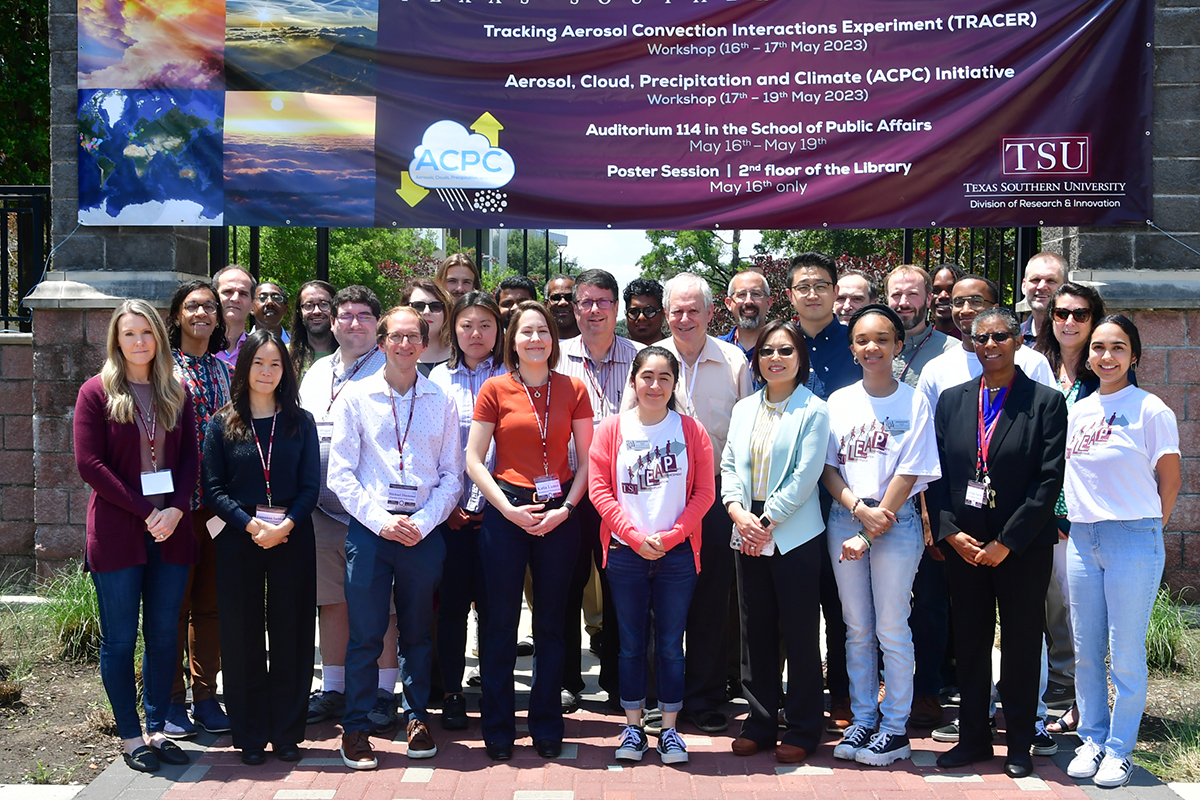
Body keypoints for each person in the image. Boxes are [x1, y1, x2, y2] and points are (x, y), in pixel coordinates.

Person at [928, 307, 1067, 779]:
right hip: (964, 545)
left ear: (1019, 338)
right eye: (981, 336)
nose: (990, 344)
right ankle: (972, 738)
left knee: (1023, 644)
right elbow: (938, 475)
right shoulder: (951, 400)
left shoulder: (1045, 402)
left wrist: (1007, 542)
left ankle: (1021, 744)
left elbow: (1048, 484)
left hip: (1022, 548)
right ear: (969, 341)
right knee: (968, 642)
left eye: (1001, 336)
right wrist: (950, 532)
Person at [327, 306, 463, 769]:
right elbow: (341, 474)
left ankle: (417, 716)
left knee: (418, 632)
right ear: (381, 342)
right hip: (371, 534)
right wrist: (381, 521)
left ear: (425, 344)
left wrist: (422, 522)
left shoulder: (440, 401)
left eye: (414, 337)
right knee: (365, 635)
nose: (405, 345)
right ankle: (358, 726)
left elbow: (452, 476)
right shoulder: (355, 397)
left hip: (423, 536)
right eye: (396, 337)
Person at [465, 300, 594, 761]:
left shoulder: (574, 389)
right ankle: (498, 725)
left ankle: (546, 723)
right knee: (499, 624)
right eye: (525, 332)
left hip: (558, 511)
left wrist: (567, 508)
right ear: (511, 341)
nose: (535, 339)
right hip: (506, 508)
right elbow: (474, 460)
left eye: (542, 331)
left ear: (553, 340)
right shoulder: (495, 389)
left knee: (552, 625)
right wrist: (505, 509)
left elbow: (587, 461)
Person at [75, 299, 200, 774]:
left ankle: (158, 728)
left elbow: (190, 458)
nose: (140, 342)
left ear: (159, 339)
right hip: (118, 532)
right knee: (121, 639)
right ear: (117, 340)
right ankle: (130, 736)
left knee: (164, 634)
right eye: (129, 334)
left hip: (171, 528)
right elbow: (90, 465)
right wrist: (149, 510)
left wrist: (175, 510)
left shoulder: (175, 391)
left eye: (147, 333)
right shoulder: (96, 392)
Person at [1062, 315, 1180, 788]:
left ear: (1134, 355)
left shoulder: (1151, 409)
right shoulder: (1078, 409)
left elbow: (1169, 481)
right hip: (1083, 539)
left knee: (1125, 652)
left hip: (1133, 537)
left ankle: (1119, 749)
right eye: (1097, 348)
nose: (1105, 356)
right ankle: (1091, 738)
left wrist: (1148, 527)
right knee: (1087, 651)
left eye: (1116, 347)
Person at [822, 304, 940, 766]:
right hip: (846, 519)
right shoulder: (840, 401)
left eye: (882, 339)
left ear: (897, 346)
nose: (872, 347)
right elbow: (829, 467)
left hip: (896, 522)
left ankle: (894, 727)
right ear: (853, 349)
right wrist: (856, 510)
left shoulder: (914, 401)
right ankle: (863, 717)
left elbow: (910, 471)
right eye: (863, 340)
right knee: (856, 628)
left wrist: (873, 525)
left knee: (892, 628)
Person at [635, 272, 751, 735]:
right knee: (654, 602)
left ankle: (704, 697)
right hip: (658, 496)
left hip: (718, 496)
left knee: (710, 601)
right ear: (666, 314)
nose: (684, 318)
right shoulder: (650, 360)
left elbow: (745, 431)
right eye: (676, 310)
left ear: (710, 313)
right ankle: (655, 696)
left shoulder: (735, 360)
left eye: (693, 310)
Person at [589, 346, 715, 764]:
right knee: (628, 644)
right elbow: (599, 490)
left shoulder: (691, 431)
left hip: (677, 556)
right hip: (626, 553)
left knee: (669, 645)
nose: (655, 385)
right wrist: (631, 534)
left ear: (675, 384)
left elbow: (704, 493)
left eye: (664, 378)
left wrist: (676, 534)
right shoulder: (611, 429)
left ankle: (670, 730)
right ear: (633, 381)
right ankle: (632, 728)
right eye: (647, 377)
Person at [202, 329, 320, 766]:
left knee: (291, 634)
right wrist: (252, 525)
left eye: (275, 364)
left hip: (292, 537)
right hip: (240, 540)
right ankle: (249, 734)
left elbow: (311, 486)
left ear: (285, 371)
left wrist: (285, 524)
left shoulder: (300, 422)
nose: (267, 372)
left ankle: (287, 732)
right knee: (242, 635)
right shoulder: (221, 422)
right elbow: (213, 490)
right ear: (243, 366)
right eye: (258, 363)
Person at [721, 319, 830, 763]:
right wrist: (739, 514)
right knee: (755, 631)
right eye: (768, 351)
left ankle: (804, 727)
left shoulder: (814, 409)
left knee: (800, 632)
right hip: (746, 527)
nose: (776, 358)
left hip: (794, 534)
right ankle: (762, 721)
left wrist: (765, 521)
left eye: (786, 350)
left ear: (800, 357)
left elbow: (807, 476)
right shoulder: (744, 408)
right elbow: (729, 464)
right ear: (757, 359)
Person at [296, 286, 394, 730]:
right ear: (332, 323)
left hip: (372, 512)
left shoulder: (391, 370)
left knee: (381, 605)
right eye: (346, 315)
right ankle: (333, 688)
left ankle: (384, 692)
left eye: (364, 316)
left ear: (378, 325)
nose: (354, 323)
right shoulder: (316, 372)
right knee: (331, 601)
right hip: (320, 510)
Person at [556, 269, 641, 712]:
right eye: (584, 303)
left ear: (616, 307)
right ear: (574, 309)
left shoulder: (644, 358)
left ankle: (617, 679)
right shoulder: (554, 357)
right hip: (568, 492)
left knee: (620, 589)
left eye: (602, 302)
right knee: (566, 589)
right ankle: (568, 680)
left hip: (626, 496)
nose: (593, 311)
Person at [1033, 282, 1111, 734]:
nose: (1069, 322)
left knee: (1078, 608)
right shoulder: (1036, 365)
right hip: (1038, 505)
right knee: (1041, 604)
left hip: (1080, 511)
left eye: (1080, 314)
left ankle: (1080, 700)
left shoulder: (1104, 370)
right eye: (1061, 313)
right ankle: (1051, 688)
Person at [429, 291, 508, 730]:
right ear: (452, 330)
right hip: (450, 514)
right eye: (466, 325)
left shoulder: (513, 375)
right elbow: (432, 450)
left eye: (485, 325)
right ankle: (454, 691)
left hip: (501, 514)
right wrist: (450, 505)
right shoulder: (436, 380)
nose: (475, 334)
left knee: (497, 609)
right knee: (452, 607)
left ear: (498, 331)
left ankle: (496, 690)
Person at [785, 251, 857, 730]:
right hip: (788, 502)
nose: (812, 294)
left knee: (842, 606)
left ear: (835, 292)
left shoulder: (858, 344)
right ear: (790, 295)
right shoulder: (779, 345)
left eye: (820, 285)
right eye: (802, 286)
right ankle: (795, 695)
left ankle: (846, 697)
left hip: (844, 498)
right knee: (793, 606)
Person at [165, 280, 233, 739]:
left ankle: (206, 698)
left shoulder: (224, 370)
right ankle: (170, 701)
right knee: (172, 606)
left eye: (209, 306)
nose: (202, 313)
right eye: (192, 307)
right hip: (174, 508)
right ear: (176, 316)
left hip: (215, 507)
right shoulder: (161, 368)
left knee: (211, 606)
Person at [917, 274, 1056, 415]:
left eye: (976, 301)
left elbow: (1048, 414)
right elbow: (927, 427)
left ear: (995, 308)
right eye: (958, 302)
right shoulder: (935, 369)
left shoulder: (1032, 362)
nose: (966, 310)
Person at [885, 265, 958, 388]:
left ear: (928, 299)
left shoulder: (952, 352)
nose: (903, 302)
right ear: (887, 299)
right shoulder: (870, 347)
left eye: (912, 294)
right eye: (896, 294)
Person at [402, 277, 454, 376]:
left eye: (435, 306)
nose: (426, 312)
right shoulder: (392, 353)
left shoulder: (461, 355)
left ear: (445, 312)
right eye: (418, 306)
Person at [719, 271, 772, 361]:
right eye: (741, 295)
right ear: (729, 303)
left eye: (756, 294)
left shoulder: (783, 350)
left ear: (768, 303)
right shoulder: (717, 348)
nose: (748, 301)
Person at [290, 280, 337, 377]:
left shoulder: (350, 354)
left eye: (324, 304)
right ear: (300, 312)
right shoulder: (285, 354)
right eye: (309, 305)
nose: (316, 311)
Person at [1020, 253, 1067, 344]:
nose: (1042, 287)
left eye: (1051, 281)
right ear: (1024, 286)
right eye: (1035, 280)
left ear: (1066, 286)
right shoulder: (1013, 339)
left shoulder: (1076, 337)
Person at [214, 264, 256, 365]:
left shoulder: (260, 350)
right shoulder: (198, 348)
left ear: (252, 305)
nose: (235, 298)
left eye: (243, 294)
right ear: (213, 298)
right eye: (228, 292)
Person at [623, 277, 666, 347]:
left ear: (663, 314)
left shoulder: (679, 354)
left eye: (649, 311)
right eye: (634, 312)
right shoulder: (614, 354)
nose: (641, 317)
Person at [931, 264, 964, 340]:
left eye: (951, 290)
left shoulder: (975, 343)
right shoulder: (922, 342)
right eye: (936, 290)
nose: (943, 296)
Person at [547, 274, 581, 340]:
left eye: (569, 297)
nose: (563, 302)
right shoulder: (537, 342)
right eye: (556, 298)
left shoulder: (595, 341)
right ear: (546, 304)